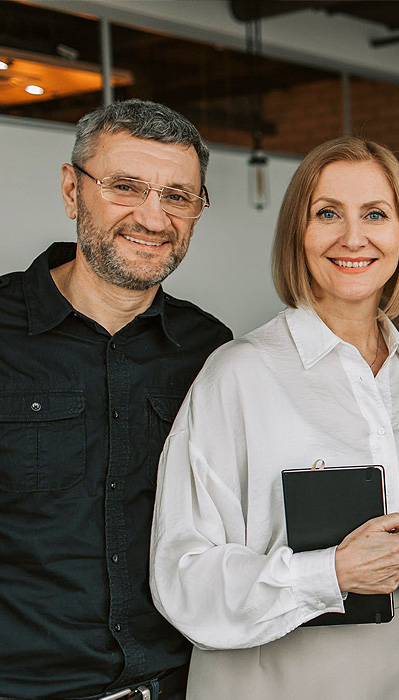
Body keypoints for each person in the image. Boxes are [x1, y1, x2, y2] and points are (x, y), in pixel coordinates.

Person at [149, 137, 399, 700]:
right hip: (271, 673)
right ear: (298, 232)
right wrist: (329, 574)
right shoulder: (239, 373)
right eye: (327, 214)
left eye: (375, 214)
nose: (353, 237)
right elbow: (183, 574)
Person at [0, 99, 231, 700]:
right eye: (126, 187)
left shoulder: (212, 351)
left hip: (182, 685)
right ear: (73, 191)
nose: (154, 218)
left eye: (178, 196)